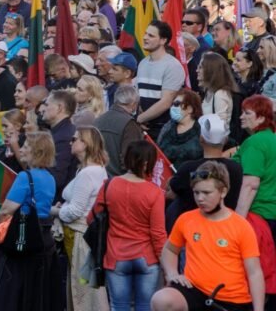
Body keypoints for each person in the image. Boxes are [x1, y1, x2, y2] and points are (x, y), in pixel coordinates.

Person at [150, 161, 265, 311]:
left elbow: (254, 272)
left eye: (206, 193)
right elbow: (170, 250)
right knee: (162, 300)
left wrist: (259, 309)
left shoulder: (241, 226)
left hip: (232, 300)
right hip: (194, 291)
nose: (200, 198)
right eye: (196, 192)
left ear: (223, 192)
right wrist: (172, 274)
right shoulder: (186, 219)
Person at [0, 131, 61, 310]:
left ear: (37, 151)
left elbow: (6, 209)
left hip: (20, 238)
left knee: (10, 288)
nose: (23, 149)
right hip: (43, 239)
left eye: (26, 146)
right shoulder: (50, 178)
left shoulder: (25, 177)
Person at [91, 141, 166, 311]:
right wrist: (165, 264)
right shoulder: (154, 192)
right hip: (147, 257)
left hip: (116, 255)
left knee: (118, 306)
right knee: (145, 306)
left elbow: (92, 218)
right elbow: (158, 233)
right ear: (149, 163)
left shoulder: (109, 185)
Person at [50, 126, 109, 311]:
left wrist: (53, 210)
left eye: (75, 139)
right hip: (78, 235)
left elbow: (75, 211)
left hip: (80, 236)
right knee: (80, 288)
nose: (71, 142)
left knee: (84, 291)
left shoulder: (88, 173)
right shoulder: (89, 171)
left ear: (86, 144)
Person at [167, 114, 243, 230]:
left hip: (192, 229)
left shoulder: (188, 168)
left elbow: (172, 193)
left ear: (201, 139)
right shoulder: (236, 168)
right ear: (226, 140)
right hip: (226, 228)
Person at [136, 21, 185, 141]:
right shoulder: (143, 63)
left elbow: (166, 102)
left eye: (151, 36)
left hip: (162, 130)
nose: (145, 38)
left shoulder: (172, 66)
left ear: (163, 40)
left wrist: (139, 119)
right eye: (146, 34)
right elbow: (139, 95)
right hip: (143, 126)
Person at [235, 95, 276, 237]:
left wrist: (237, 221)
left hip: (259, 214)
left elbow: (250, 184)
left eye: (247, 113)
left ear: (261, 117)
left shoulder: (255, 142)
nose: (241, 117)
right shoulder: (272, 139)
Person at [94, 85, 143, 176]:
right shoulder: (129, 125)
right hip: (118, 180)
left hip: (96, 177)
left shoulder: (98, 120)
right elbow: (130, 160)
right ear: (133, 104)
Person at [156, 88, 203, 167]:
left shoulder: (201, 130)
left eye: (177, 104)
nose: (173, 107)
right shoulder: (168, 127)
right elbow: (159, 150)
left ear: (190, 109)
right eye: (173, 103)